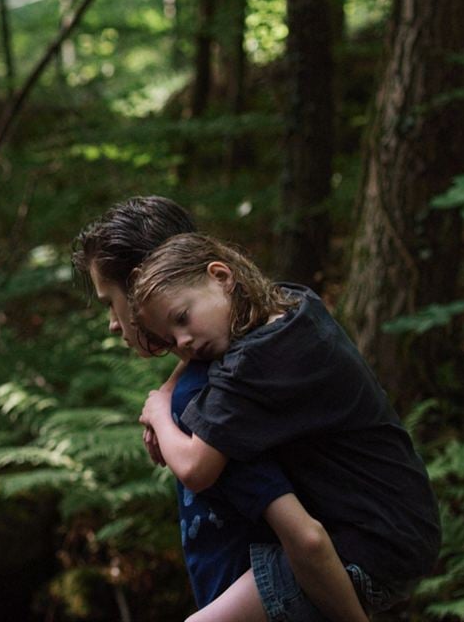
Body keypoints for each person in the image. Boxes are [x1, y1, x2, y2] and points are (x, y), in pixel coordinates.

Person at [73, 197, 368, 621]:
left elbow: (300, 534)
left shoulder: (216, 403)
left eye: (109, 302)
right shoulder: (257, 346)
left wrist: (167, 405)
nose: (113, 323)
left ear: (144, 287)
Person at [131, 232, 441, 621]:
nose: (185, 342)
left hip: (369, 545)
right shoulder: (294, 306)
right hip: (408, 522)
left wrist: (159, 412)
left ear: (221, 276)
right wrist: (171, 385)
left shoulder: (253, 367)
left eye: (182, 318)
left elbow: (195, 469)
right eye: (170, 340)